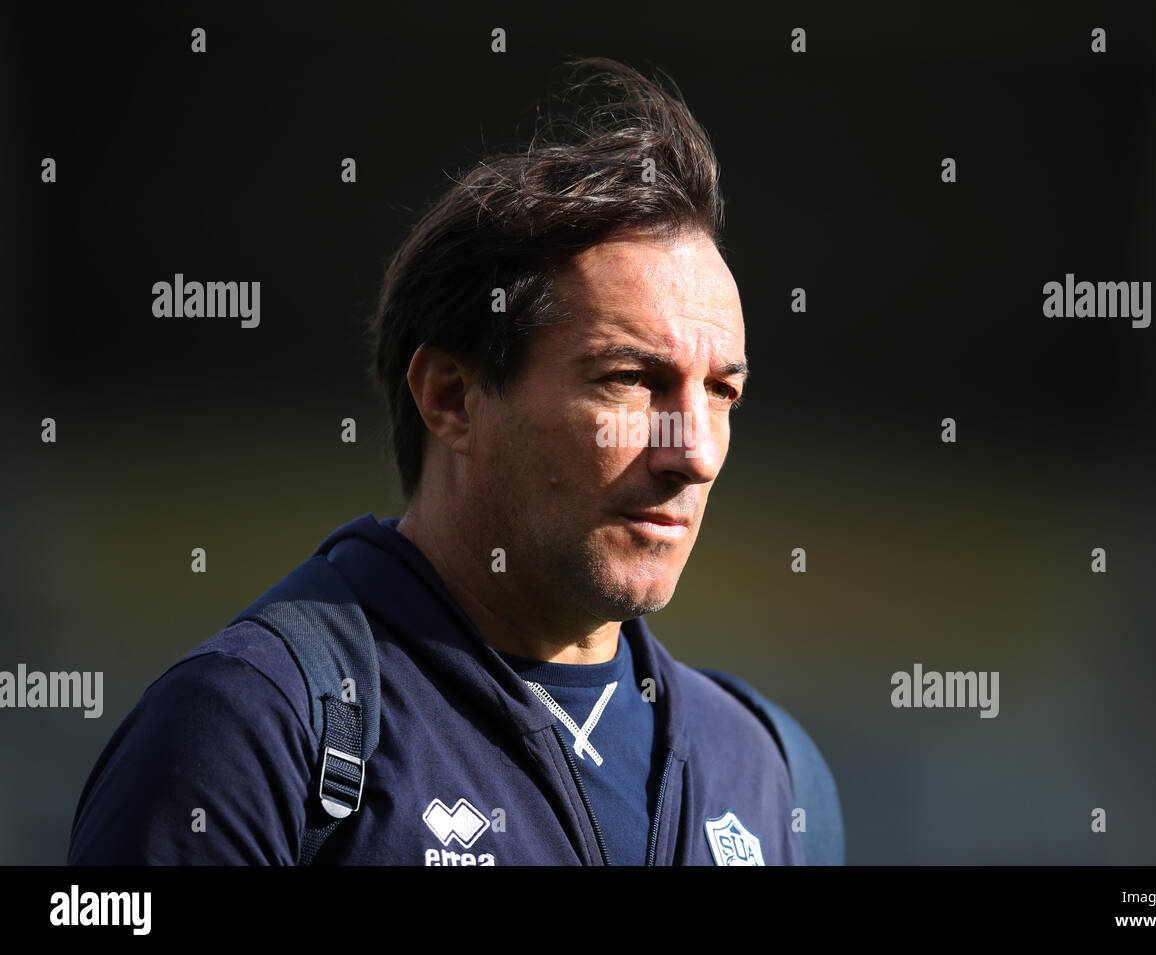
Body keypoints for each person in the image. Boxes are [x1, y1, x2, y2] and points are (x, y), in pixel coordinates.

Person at [68, 57, 832, 866]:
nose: (698, 454)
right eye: (632, 379)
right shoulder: (245, 730)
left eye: (721, 392)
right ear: (453, 398)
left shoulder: (770, 773)